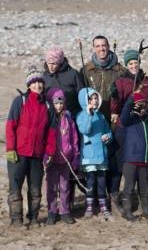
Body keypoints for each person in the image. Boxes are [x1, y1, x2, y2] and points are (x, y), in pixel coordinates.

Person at [109, 48, 148, 210]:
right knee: (120, 163)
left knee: (142, 162)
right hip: (124, 127)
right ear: (126, 65)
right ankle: (116, 196)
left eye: (136, 62)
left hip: (143, 127)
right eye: (130, 63)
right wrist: (115, 97)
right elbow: (114, 108)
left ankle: (143, 198)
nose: (133, 65)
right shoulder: (120, 81)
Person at [6, 66, 56, 228]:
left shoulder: (47, 106)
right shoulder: (19, 101)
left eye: (40, 82)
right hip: (19, 153)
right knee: (15, 188)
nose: (37, 86)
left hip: (37, 154)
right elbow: (10, 126)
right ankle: (16, 219)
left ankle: (33, 218)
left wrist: (49, 151)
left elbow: (51, 131)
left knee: (35, 190)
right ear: (28, 85)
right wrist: (11, 149)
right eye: (34, 83)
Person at [119, 92, 148, 221]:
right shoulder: (129, 119)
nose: (142, 108)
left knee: (144, 188)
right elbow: (123, 116)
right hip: (131, 160)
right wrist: (130, 100)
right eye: (139, 105)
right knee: (129, 187)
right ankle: (127, 211)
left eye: (144, 105)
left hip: (145, 160)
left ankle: (146, 211)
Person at [76, 88, 113, 218]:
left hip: (101, 156)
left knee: (102, 182)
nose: (95, 101)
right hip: (88, 157)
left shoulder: (101, 116)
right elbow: (85, 129)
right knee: (90, 182)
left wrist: (108, 137)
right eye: (91, 99)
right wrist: (89, 114)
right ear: (86, 101)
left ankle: (103, 206)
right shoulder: (81, 115)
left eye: (96, 98)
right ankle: (89, 207)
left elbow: (108, 131)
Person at [45, 88, 80, 225]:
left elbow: (74, 139)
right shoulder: (49, 120)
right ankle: (52, 212)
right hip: (52, 159)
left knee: (65, 187)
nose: (58, 106)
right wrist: (45, 155)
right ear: (52, 104)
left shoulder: (68, 119)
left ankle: (65, 211)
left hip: (66, 160)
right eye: (56, 103)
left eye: (61, 103)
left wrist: (75, 155)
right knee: (51, 187)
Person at [80, 35, 124, 124]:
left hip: (114, 118)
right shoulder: (86, 70)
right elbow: (81, 94)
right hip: (94, 117)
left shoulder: (120, 70)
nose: (101, 49)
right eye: (98, 46)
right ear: (94, 48)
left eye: (104, 45)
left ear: (108, 46)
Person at [43, 45, 84, 116]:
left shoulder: (73, 74)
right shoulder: (44, 76)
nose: (51, 66)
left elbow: (81, 94)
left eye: (54, 63)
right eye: (48, 63)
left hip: (72, 114)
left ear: (60, 62)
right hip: (52, 117)